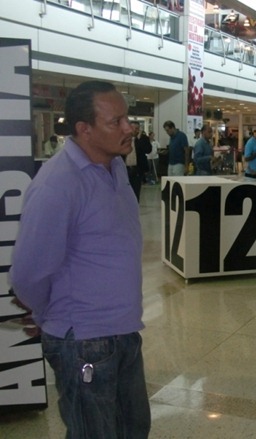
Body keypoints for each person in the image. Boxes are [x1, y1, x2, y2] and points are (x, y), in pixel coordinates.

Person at [9, 80, 151, 438]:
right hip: (84, 340)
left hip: (123, 331)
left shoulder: (114, 167)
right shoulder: (58, 184)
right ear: (83, 129)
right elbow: (28, 271)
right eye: (115, 122)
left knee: (133, 430)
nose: (128, 128)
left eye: (127, 118)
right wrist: (47, 315)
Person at [125, 121, 152, 201]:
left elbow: (148, 150)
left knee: (136, 191)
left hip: (137, 169)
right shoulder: (124, 137)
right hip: (126, 168)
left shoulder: (143, 138)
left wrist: (139, 139)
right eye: (133, 128)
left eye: (137, 128)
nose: (135, 130)